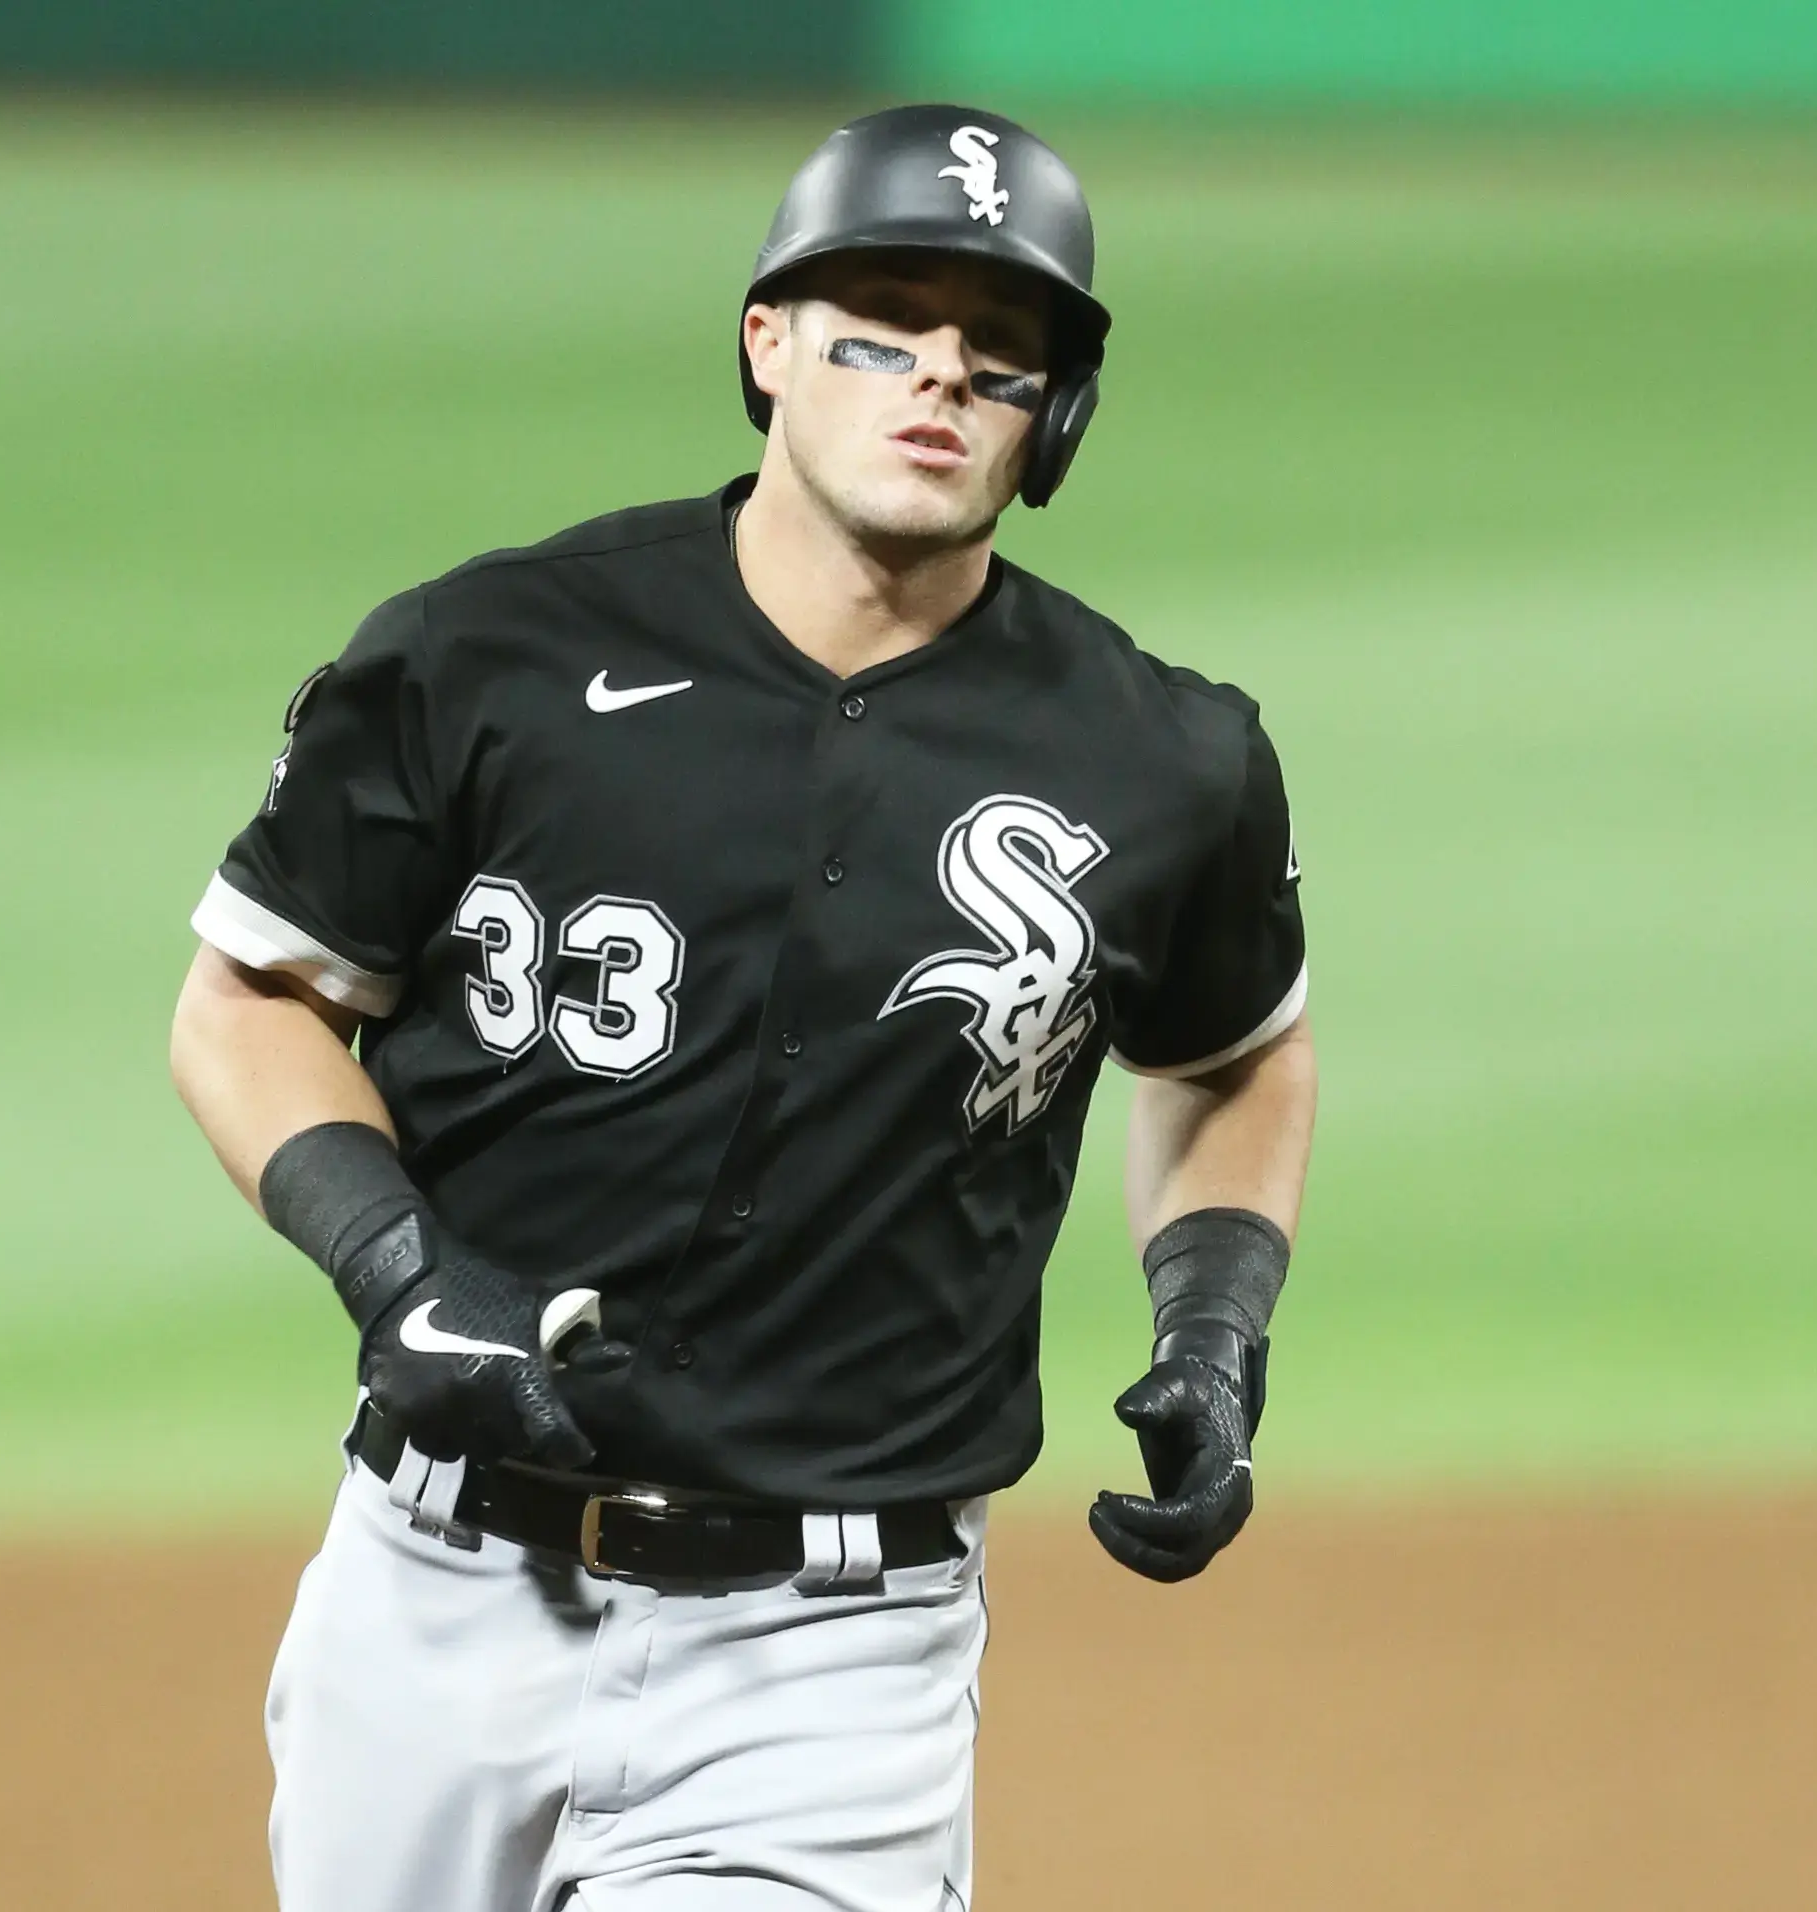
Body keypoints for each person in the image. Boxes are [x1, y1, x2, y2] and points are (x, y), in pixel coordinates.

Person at [167, 103, 1316, 1912]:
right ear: (766, 346)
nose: (939, 374)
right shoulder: (492, 655)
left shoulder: (1162, 759)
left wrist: (1216, 1324)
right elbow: (247, 1001)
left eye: (1000, 353)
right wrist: (399, 1274)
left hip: (832, 1662)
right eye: (880, 321)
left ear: (1056, 422)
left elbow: (1239, 1056)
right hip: (435, 1605)